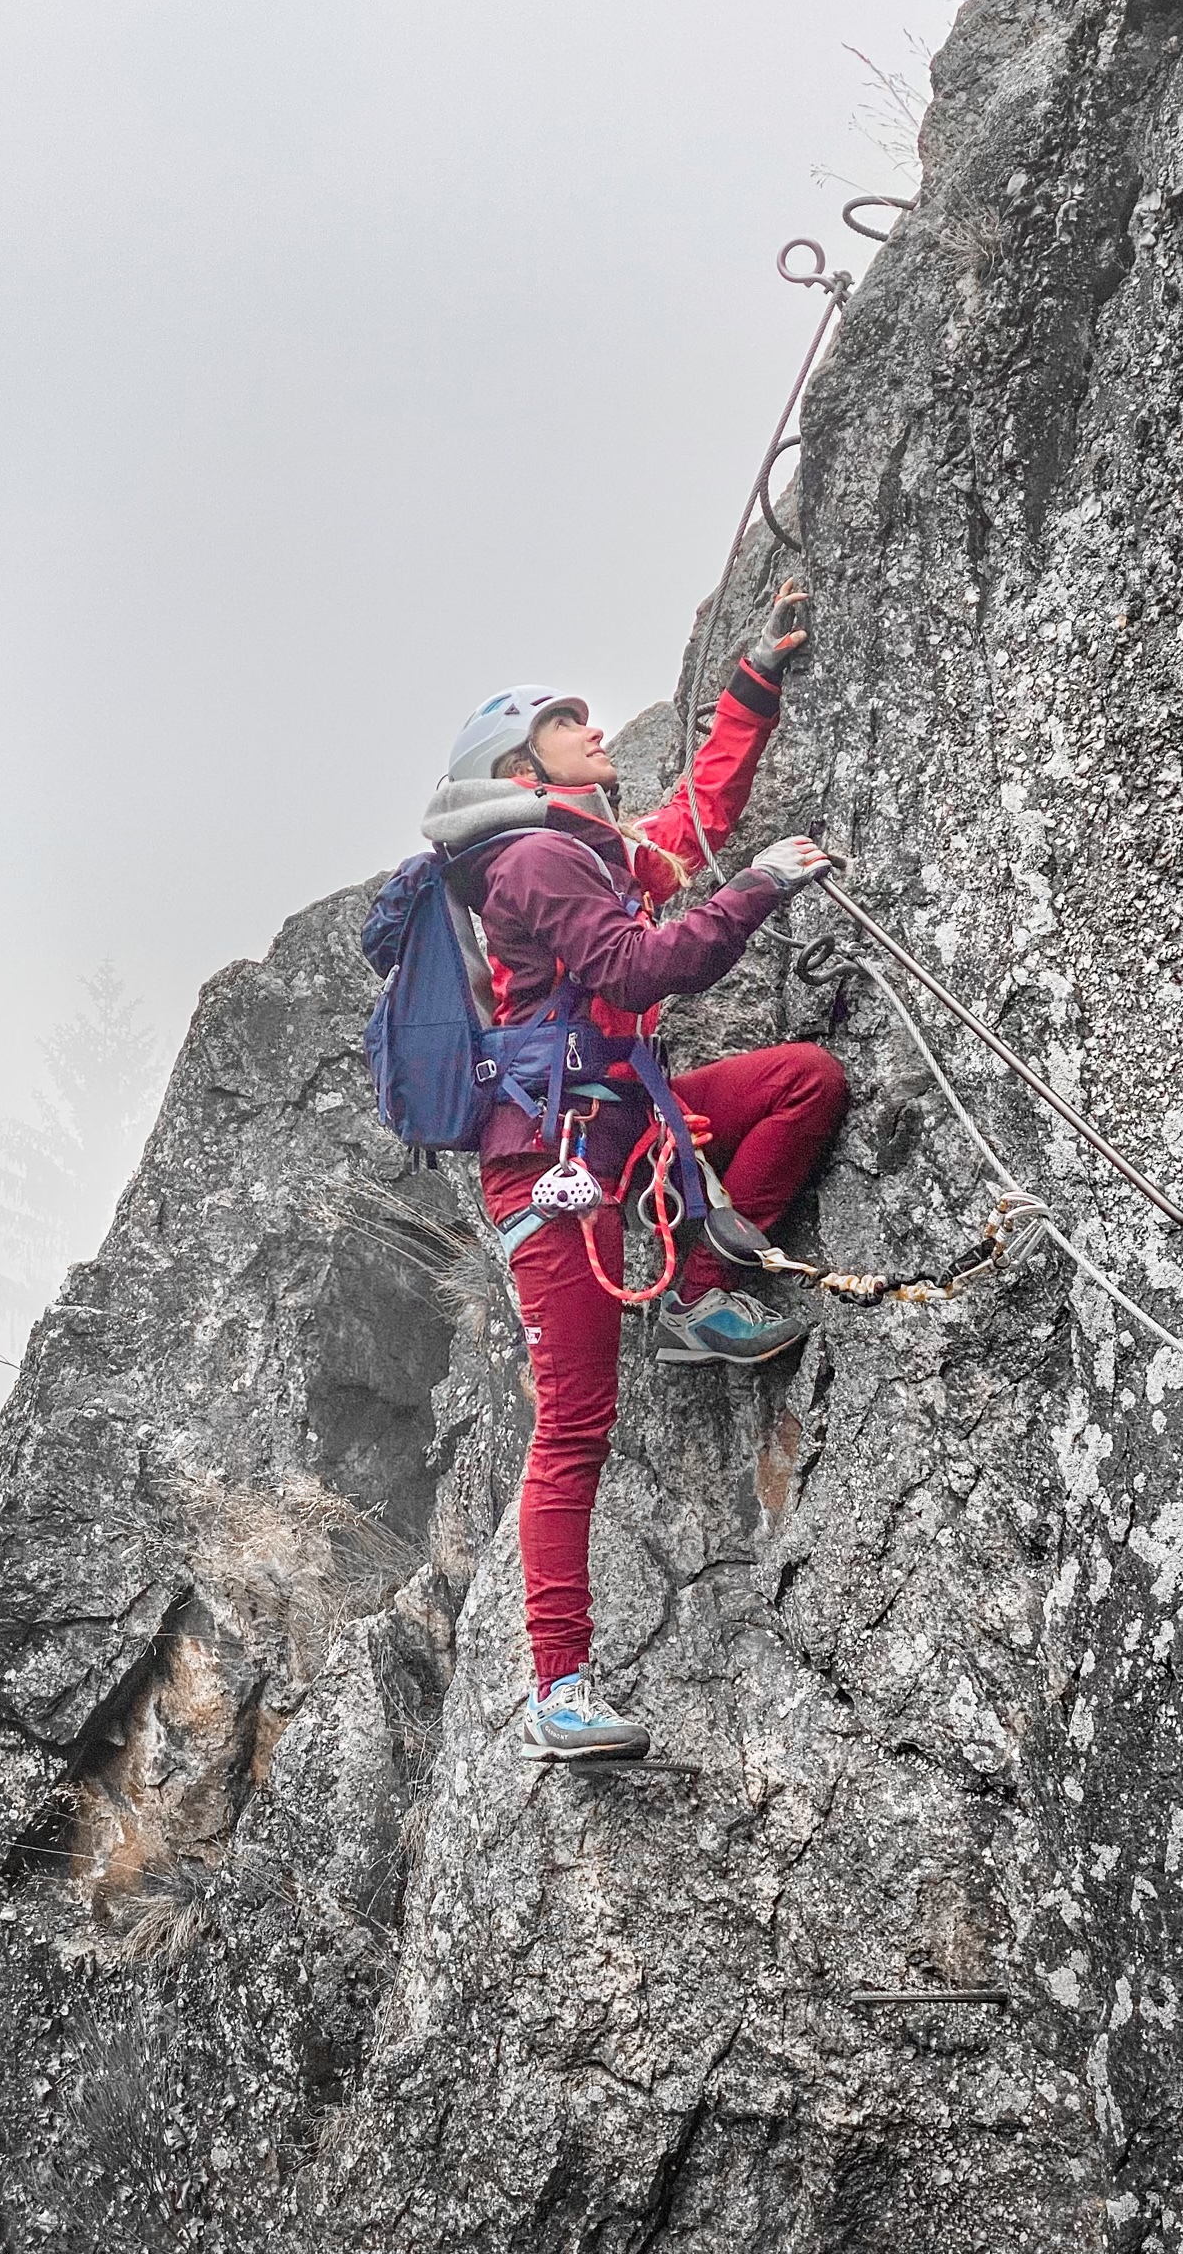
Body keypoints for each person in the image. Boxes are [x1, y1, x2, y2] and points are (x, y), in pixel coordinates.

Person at [422, 587, 848, 1759]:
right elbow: (642, 967)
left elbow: (696, 815)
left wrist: (751, 686)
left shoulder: (587, 853)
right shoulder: (531, 865)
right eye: (567, 722)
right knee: (573, 1428)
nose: (593, 726)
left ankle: (700, 1297)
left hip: (625, 1134)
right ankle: (557, 1690)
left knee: (804, 1082)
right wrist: (759, 888)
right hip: (551, 1172)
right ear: (520, 764)